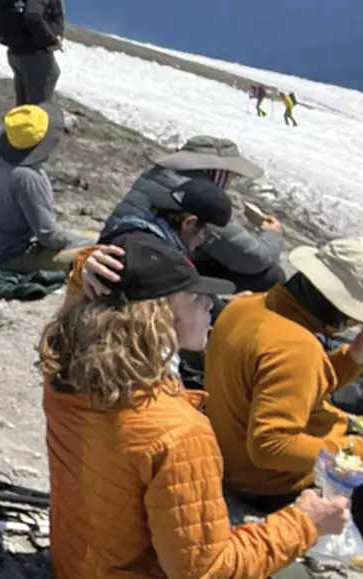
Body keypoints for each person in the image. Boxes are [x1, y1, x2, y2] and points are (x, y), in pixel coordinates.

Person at [40, 229, 346, 577]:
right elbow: (206, 572)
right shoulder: (179, 433)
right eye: (194, 297)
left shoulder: (65, 371)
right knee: (297, 574)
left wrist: (85, 267)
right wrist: (305, 522)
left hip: (74, 564)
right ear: (156, 318)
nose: (210, 304)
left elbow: (75, 306)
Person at [204, 237, 363, 514]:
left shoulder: (247, 306)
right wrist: (356, 450)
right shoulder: (296, 348)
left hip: (231, 456)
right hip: (268, 485)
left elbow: (288, 382)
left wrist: (353, 357)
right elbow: (270, 446)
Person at [105, 137, 284, 292]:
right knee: (269, 275)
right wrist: (271, 234)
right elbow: (254, 258)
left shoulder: (159, 175)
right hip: (147, 270)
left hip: (122, 253)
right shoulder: (199, 198)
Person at [0, 102, 92, 273]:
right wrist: (89, 244)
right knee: (97, 253)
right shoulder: (28, 177)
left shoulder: (4, 159)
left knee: (104, 238)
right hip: (12, 257)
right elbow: (48, 235)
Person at [6, 0, 66, 106]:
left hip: (17, 50)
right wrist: (51, 39)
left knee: (24, 106)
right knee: (38, 108)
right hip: (35, 54)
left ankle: (16, 132)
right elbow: (33, 15)